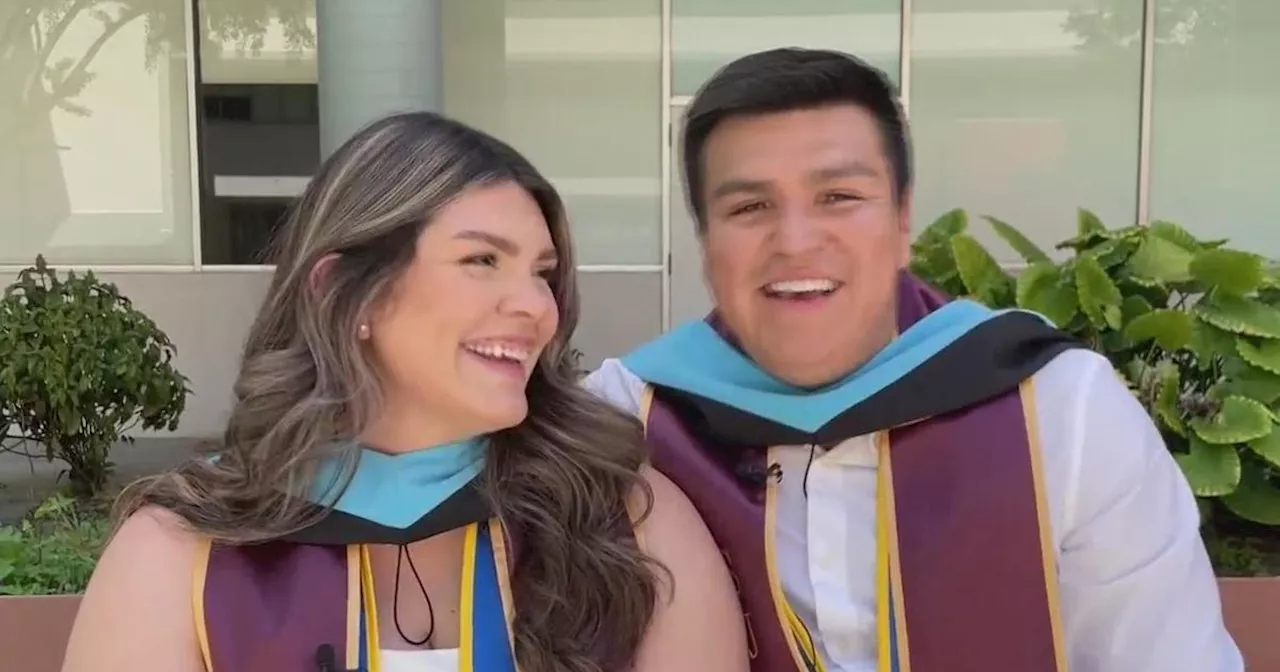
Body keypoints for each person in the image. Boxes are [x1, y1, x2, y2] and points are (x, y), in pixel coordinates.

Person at [585, 48, 1243, 672]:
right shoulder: (626, 415)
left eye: (838, 197)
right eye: (749, 206)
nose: (794, 240)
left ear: (903, 223)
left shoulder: (1062, 410)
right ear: (705, 243)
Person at [62, 112, 749, 672]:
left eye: (543, 272)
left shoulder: (627, 520)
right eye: (482, 260)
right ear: (341, 290)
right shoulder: (181, 551)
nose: (539, 307)